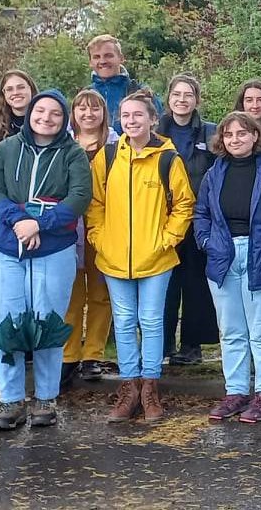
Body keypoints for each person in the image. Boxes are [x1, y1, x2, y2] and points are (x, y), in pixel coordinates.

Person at [0, 89, 93, 430]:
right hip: (5, 248)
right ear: (29, 114)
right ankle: (10, 401)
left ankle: (46, 398)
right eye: (40, 111)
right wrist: (19, 222)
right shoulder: (7, 148)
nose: (46, 118)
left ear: (64, 119)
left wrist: (40, 224)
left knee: (47, 322)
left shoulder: (73, 154)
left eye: (55, 113)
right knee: (5, 323)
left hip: (53, 248)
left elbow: (78, 197)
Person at [89, 91, 197, 424]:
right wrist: (100, 239)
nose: (131, 121)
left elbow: (183, 204)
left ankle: (150, 388)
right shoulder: (107, 158)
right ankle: (129, 387)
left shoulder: (167, 159)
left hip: (157, 258)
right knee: (123, 322)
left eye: (138, 115)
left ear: (152, 119)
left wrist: (168, 239)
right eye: (126, 115)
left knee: (151, 321)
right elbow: (95, 205)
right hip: (114, 257)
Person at [195, 111, 261, 423]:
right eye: (229, 135)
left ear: (255, 136)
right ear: (222, 140)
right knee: (231, 331)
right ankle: (236, 392)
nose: (235, 139)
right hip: (224, 257)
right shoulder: (215, 173)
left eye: (242, 133)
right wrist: (206, 242)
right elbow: (201, 213)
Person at [160, 75, 219, 367]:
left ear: (196, 99)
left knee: (196, 284)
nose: (182, 100)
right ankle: (163, 343)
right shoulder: (154, 132)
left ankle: (192, 345)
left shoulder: (211, 133)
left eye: (188, 95)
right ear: (168, 98)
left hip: (197, 219)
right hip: (160, 221)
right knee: (164, 284)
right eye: (177, 94)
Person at [62, 90, 116, 386]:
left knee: (100, 294)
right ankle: (68, 355)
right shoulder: (63, 143)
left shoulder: (116, 144)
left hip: (104, 228)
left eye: (94, 109)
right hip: (69, 229)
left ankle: (92, 354)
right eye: (81, 108)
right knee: (71, 296)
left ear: (103, 113)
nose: (88, 114)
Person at [89, 35, 146, 133]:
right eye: (96, 57)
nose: (102, 61)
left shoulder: (140, 93)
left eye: (108, 55)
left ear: (121, 58)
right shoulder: (85, 95)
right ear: (90, 62)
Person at [0, 70, 38, 148]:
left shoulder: (45, 122)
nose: (15, 93)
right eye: (9, 89)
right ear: (4, 94)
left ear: (31, 89)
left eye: (21, 87)